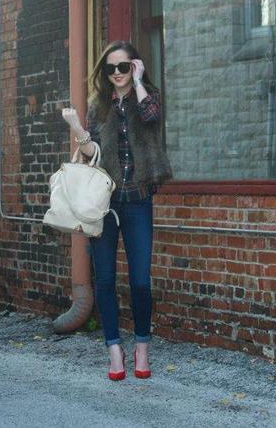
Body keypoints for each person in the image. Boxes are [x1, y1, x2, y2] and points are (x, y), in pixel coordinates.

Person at [62, 40, 172, 380]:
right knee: (105, 280)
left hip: (138, 200)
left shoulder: (148, 96)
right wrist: (79, 131)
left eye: (123, 67)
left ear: (134, 67)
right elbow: (92, 149)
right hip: (105, 205)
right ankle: (113, 350)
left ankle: (141, 346)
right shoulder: (100, 105)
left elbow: (151, 119)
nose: (117, 74)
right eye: (110, 69)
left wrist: (138, 83)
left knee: (140, 280)